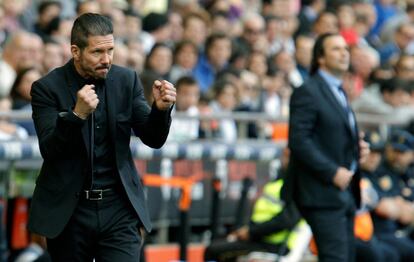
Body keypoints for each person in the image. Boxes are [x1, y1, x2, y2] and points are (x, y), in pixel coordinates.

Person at [27, 13, 176, 261]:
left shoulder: (126, 80)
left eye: (111, 50)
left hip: (118, 207)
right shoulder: (46, 88)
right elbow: (50, 149)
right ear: (75, 51)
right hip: (70, 211)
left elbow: (153, 138)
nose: (106, 59)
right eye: (97, 52)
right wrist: (76, 116)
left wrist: (160, 111)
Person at [286, 32, 369, 262]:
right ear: (320, 58)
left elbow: (330, 136)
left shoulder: (339, 91)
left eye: (345, 49)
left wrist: (357, 149)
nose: (344, 53)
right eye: (336, 49)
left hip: (345, 193)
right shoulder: (308, 91)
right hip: (321, 192)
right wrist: (332, 171)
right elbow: (299, 140)